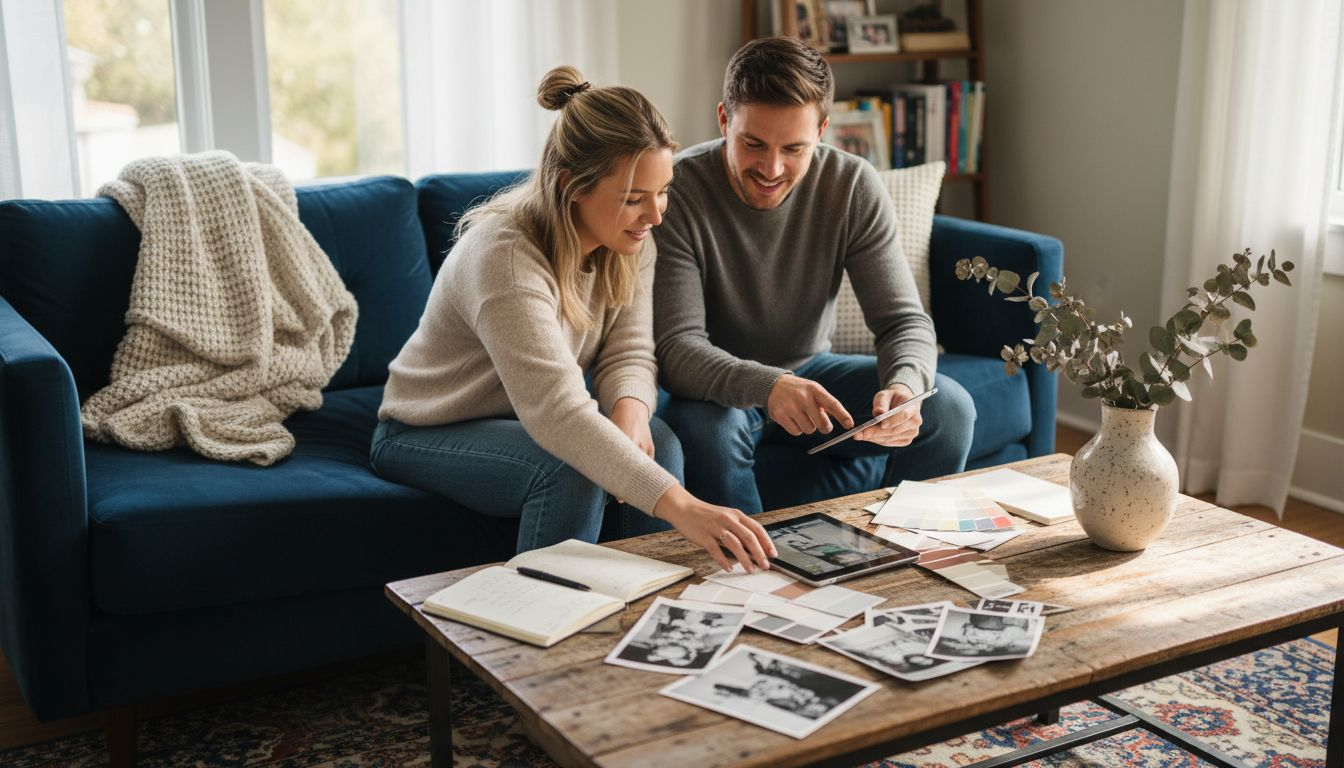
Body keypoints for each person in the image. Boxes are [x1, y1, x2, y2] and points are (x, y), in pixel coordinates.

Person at [371, 66, 776, 572]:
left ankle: (645, 609)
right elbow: (558, 411)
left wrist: (630, 412)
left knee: (662, 444)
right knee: (572, 469)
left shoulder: (631, 241)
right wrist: (684, 508)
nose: (656, 215)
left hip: (521, 419)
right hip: (426, 430)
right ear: (571, 185)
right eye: (633, 198)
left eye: (663, 190)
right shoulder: (505, 257)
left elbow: (629, 351)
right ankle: (541, 613)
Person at [653, 36, 976, 514]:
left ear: (822, 130)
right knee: (706, 431)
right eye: (753, 143)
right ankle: (755, 561)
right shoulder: (676, 192)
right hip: (717, 393)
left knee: (948, 408)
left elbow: (903, 321)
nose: (772, 168)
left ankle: (903, 547)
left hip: (814, 373)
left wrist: (905, 388)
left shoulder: (852, 185)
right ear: (724, 119)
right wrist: (770, 386)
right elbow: (677, 350)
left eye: (794, 148)